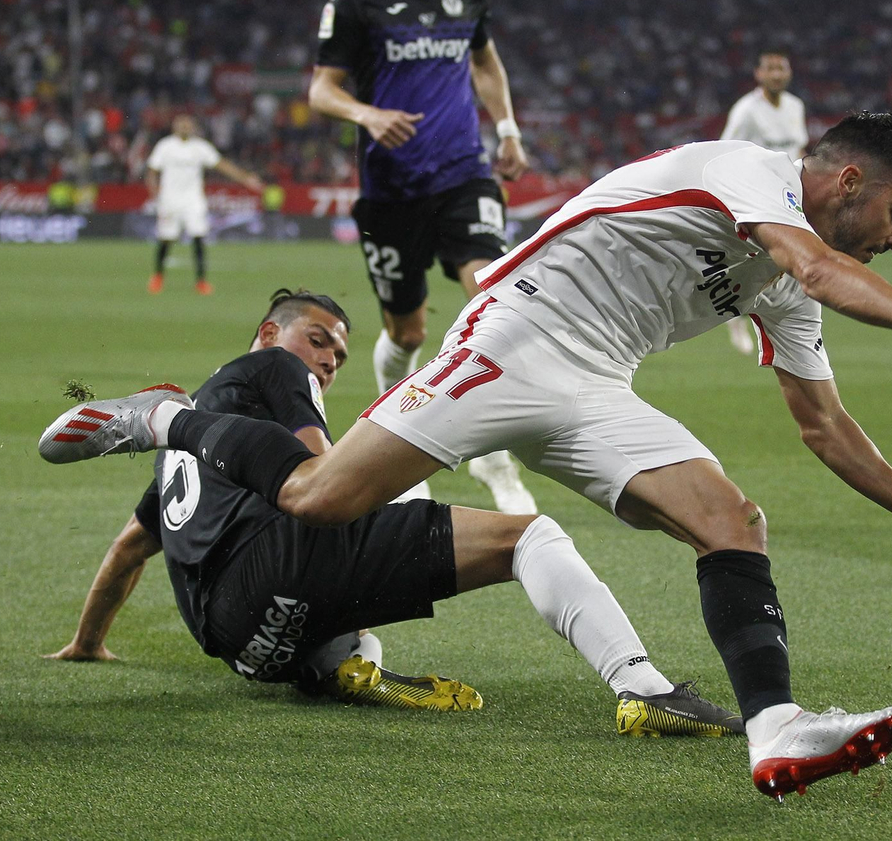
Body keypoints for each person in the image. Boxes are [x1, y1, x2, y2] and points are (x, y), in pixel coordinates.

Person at [39, 113, 892, 799]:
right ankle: (166, 419)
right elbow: (816, 263)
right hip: (507, 342)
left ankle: (773, 725)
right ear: (847, 180)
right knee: (315, 500)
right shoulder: (747, 170)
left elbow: (823, 424)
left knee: (731, 519)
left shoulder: (781, 282)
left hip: (599, 390)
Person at [43, 289, 741, 734]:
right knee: (523, 534)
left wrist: (88, 640)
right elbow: (329, 480)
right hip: (279, 575)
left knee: (360, 512)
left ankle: (347, 662)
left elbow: (130, 549)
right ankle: (643, 687)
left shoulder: (193, 454)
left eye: (340, 354)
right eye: (318, 340)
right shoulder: (271, 370)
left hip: (249, 651)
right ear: (267, 333)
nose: (327, 360)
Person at [307, 0, 535, 514]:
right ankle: (398, 427)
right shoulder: (355, 2)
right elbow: (321, 89)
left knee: (492, 298)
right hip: (390, 192)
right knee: (405, 331)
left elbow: (484, 60)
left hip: (464, 174)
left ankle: (495, 459)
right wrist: (367, 115)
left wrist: (509, 128)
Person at [720, 49, 809, 354]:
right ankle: (735, 320)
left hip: (786, 196)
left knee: (777, 264)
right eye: (770, 69)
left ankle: (770, 318)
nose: (776, 74)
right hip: (752, 195)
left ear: (789, 72)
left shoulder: (796, 106)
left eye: (781, 68)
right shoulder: (746, 110)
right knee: (748, 260)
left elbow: (798, 148)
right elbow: (725, 149)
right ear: (758, 74)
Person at [145, 115, 261, 296]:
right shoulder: (165, 146)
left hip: (193, 200)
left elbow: (221, 165)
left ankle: (201, 281)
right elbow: (152, 171)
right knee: (166, 238)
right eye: (181, 123)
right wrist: (155, 195)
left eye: (187, 124)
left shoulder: (200, 147)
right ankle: (158, 277)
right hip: (170, 199)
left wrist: (245, 178)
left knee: (198, 237)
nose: (184, 126)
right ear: (174, 126)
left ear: (192, 127)